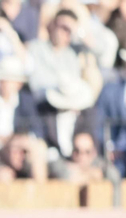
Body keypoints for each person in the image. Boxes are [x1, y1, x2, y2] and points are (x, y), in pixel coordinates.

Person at [28, 7, 103, 157]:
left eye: (69, 30)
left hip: (67, 107)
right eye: (63, 27)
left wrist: (82, 36)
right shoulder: (36, 48)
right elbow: (35, 85)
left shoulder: (72, 56)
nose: (65, 33)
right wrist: (61, 89)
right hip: (43, 110)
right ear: (52, 25)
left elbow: (99, 53)